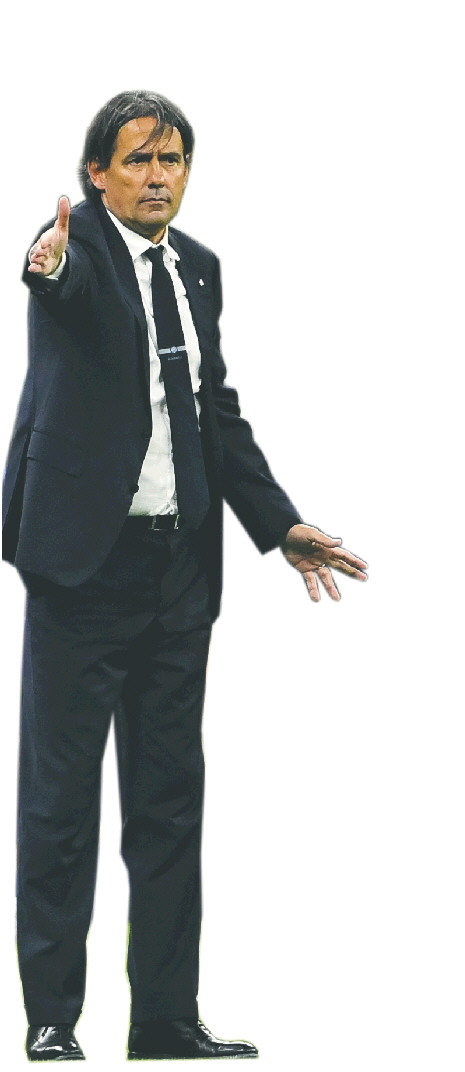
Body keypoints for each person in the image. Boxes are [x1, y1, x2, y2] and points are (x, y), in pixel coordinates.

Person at [2, 90, 368, 1062]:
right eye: (138, 160)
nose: (158, 176)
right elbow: (61, 283)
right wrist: (47, 266)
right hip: (82, 569)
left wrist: (279, 524)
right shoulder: (75, 250)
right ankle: (51, 1018)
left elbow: (213, 410)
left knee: (168, 804)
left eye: (172, 160)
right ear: (97, 174)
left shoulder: (198, 267)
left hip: (177, 573)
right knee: (59, 804)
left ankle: (164, 1019)